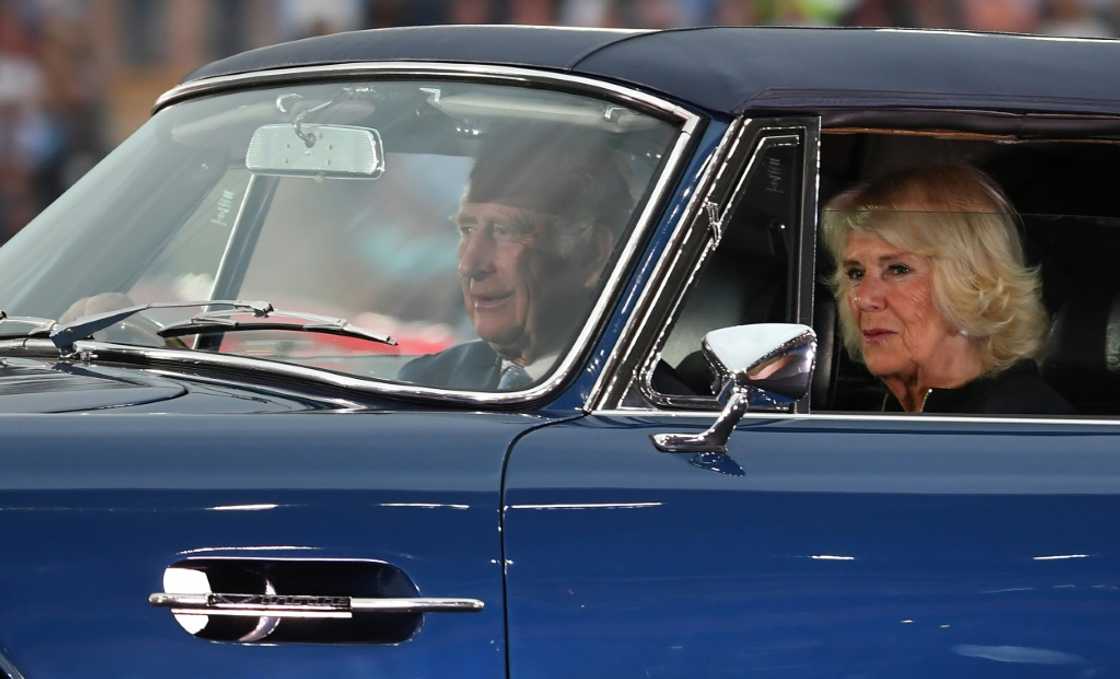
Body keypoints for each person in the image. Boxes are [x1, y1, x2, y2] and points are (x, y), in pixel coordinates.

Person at [822, 164, 1074, 415]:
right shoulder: (882, 418)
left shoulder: (1020, 423)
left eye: (898, 269)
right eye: (856, 273)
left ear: (974, 283)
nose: (863, 298)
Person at [398, 127, 631, 391]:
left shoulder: (638, 407)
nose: (470, 265)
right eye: (467, 229)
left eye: (504, 230)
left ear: (593, 254)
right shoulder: (428, 381)